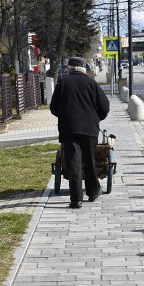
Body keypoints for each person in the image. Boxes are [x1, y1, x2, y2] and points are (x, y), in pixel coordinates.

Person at [50, 57, 110, 209]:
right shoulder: (92, 83)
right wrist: (96, 118)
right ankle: (93, 191)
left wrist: (65, 116)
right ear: (84, 69)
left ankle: (76, 199)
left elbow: (53, 108)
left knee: (74, 163)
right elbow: (104, 107)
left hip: (69, 129)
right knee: (90, 160)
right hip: (90, 129)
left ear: (69, 69)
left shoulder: (63, 83)